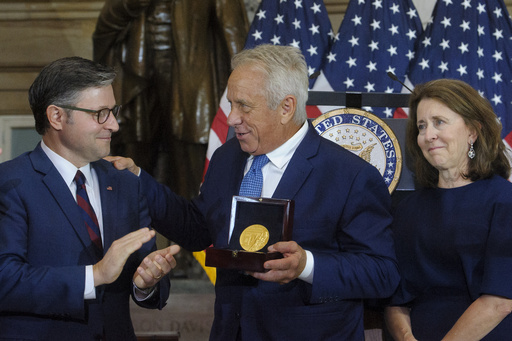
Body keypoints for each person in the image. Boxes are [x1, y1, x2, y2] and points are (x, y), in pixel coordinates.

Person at [113, 44, 400, 340]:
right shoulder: (227, 158)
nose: (233, 118)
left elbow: (382, 273)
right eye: (231, 105)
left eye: (244, 106)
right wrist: (137, 180)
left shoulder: (350, 175)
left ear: (286, 108)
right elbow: (199, 230)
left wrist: (307, 265)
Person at [0, 56, 180, 340]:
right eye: (100, 114)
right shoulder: (10, 184)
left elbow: (146, 279)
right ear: (56, 116)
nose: (114, 125)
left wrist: (147, 283)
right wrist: (94, 275)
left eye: (113, 111)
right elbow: (5, 280)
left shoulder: (125, 183)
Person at [384, 79, 512, 340]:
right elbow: (394, 297)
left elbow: (500, 300)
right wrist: (405, 337)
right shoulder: (408, 209)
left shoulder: (505, 201)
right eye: (422, 126)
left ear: (472, 132)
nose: (428, 135)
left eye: (439, 122)